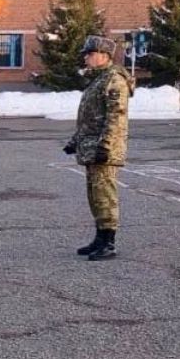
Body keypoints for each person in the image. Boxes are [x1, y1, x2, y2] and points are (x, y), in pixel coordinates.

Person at [64, 36, 133, 262]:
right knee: (95, 196)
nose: (86, 57)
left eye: (90, 53)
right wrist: (75, 141)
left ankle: (109, 242)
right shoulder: (99, 79)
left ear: (104, 56)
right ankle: (99, 238)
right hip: (91, 146)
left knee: (105, 196)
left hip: (104, 149)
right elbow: (91, 119)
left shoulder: (114, 80)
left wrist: (105, 145)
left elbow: (116, 117)